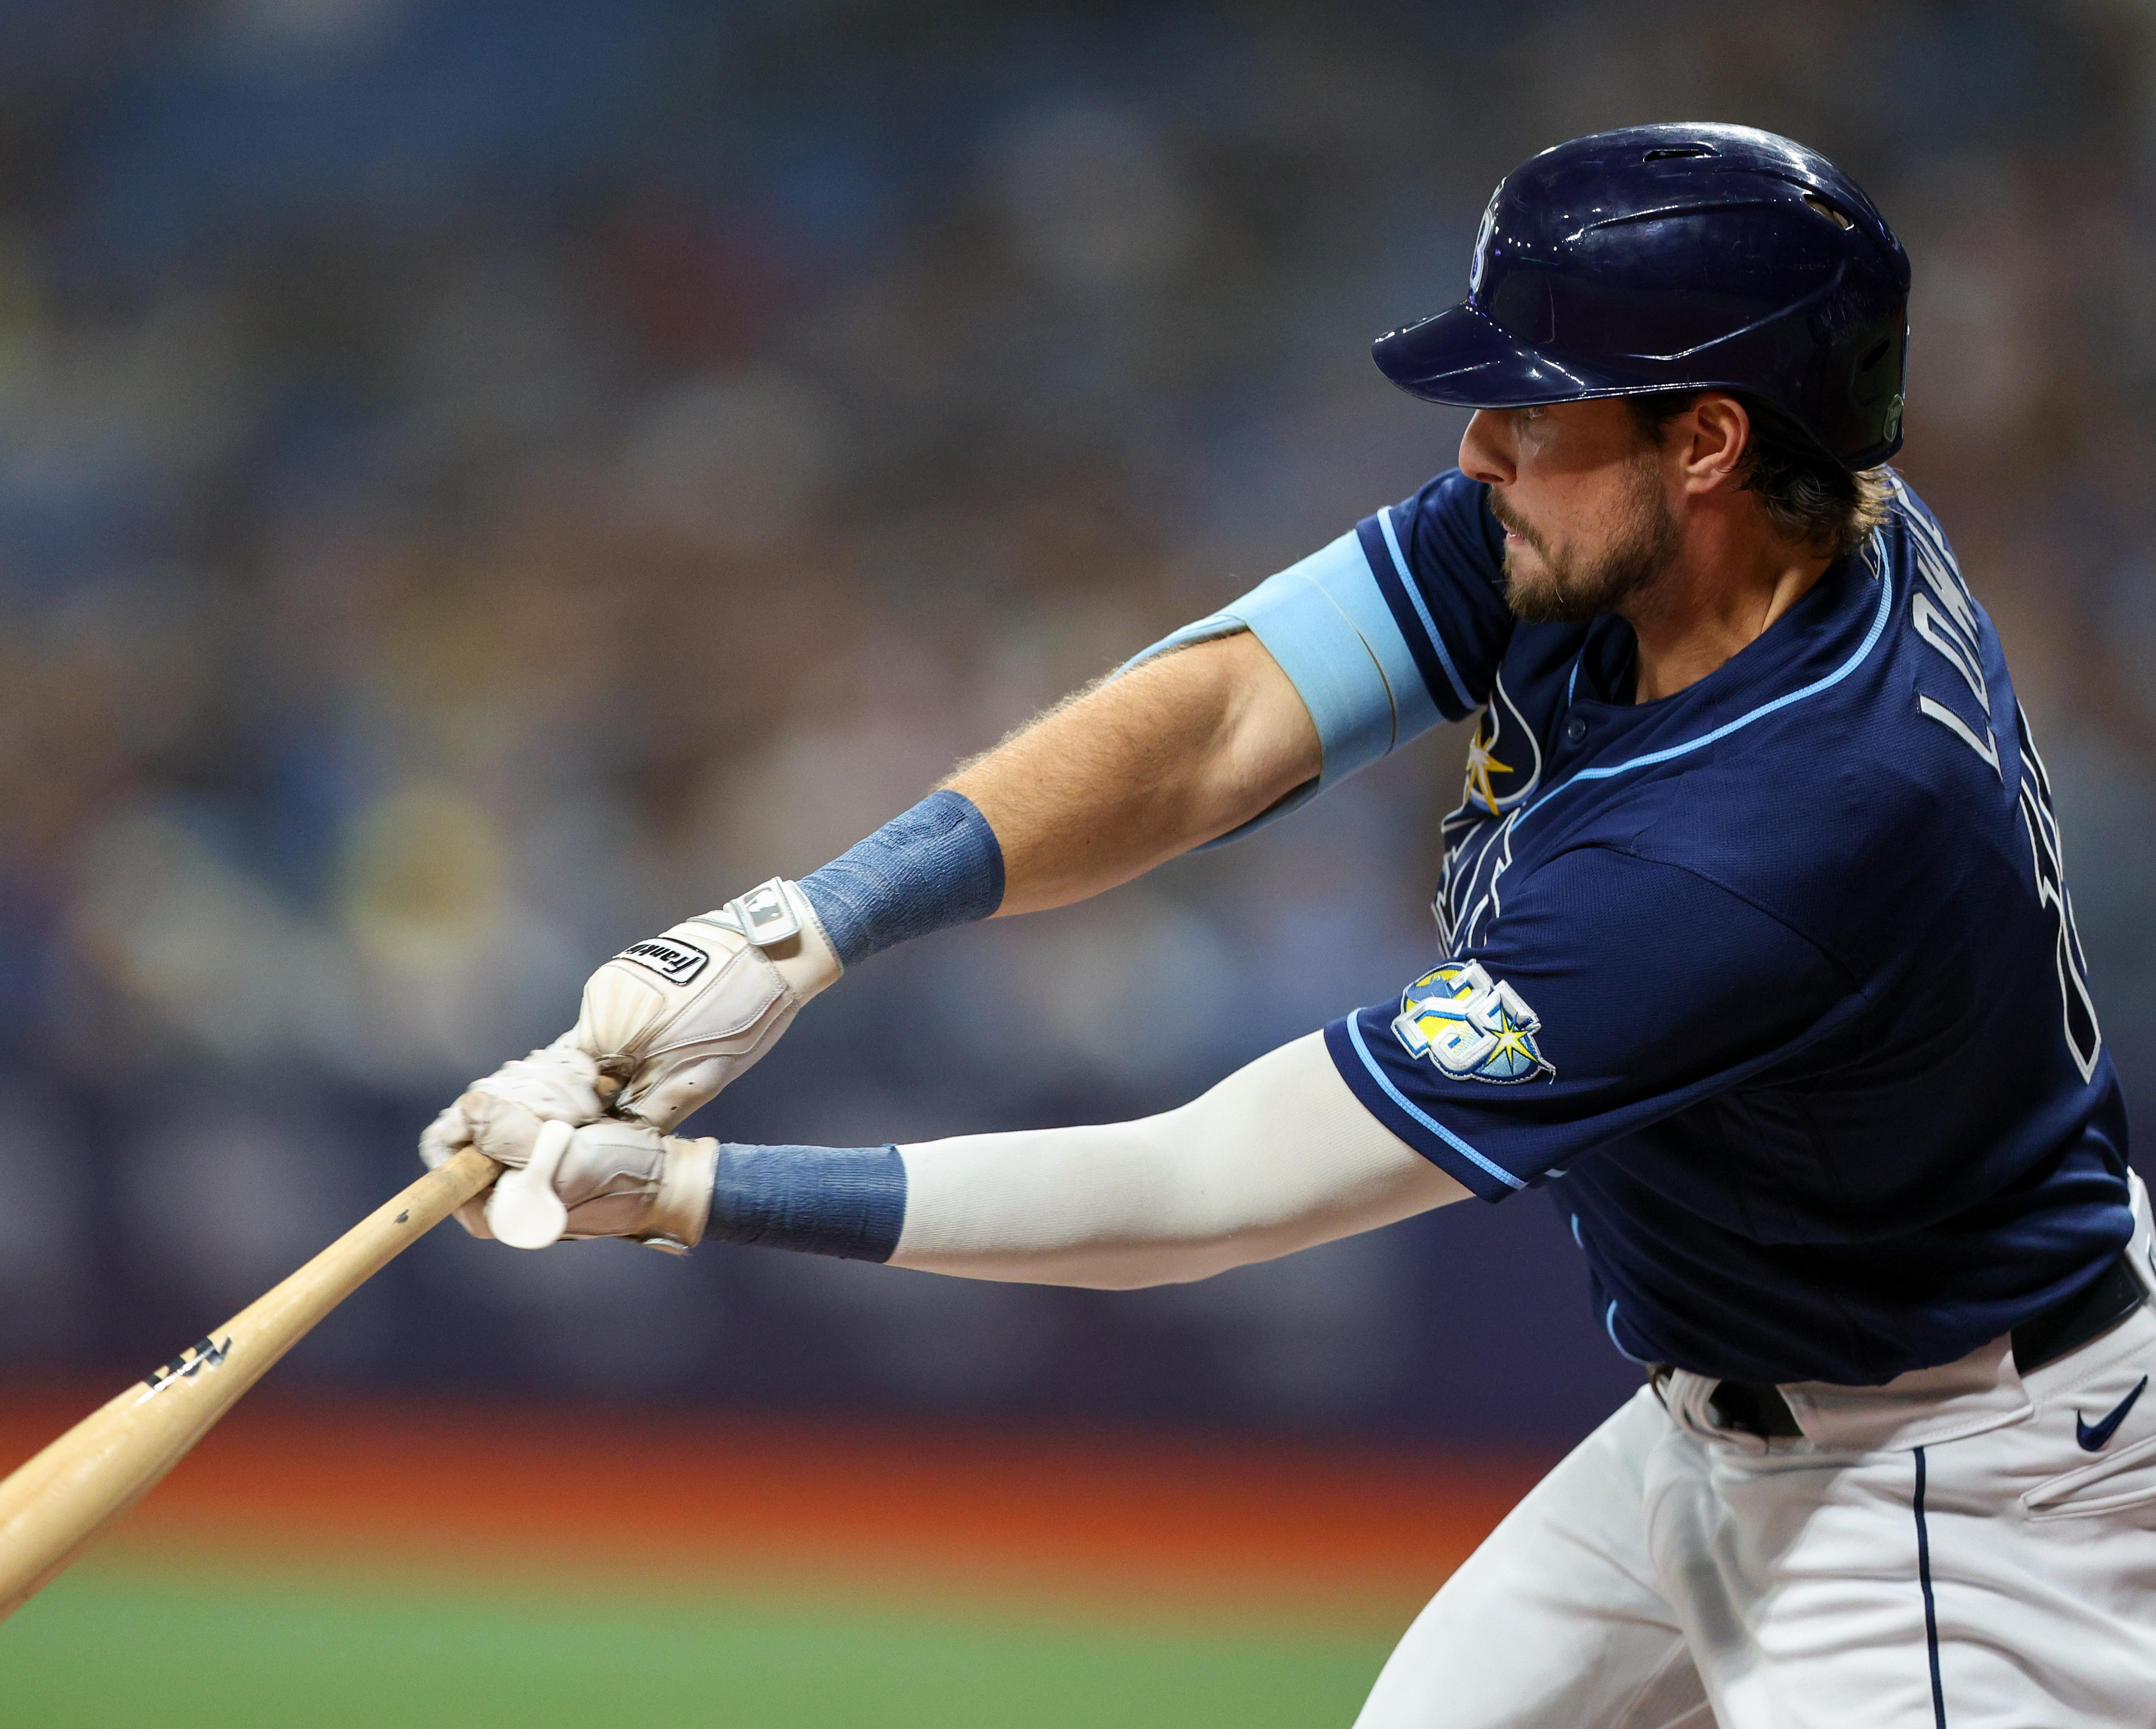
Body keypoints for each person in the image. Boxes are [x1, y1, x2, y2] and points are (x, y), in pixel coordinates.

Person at [422, 123, 2156, 1727]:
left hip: (1959, 1484)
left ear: (1707, 440)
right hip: (1743, 1412)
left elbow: (1198, 1192)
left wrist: (688, 1189)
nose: (1478, 445)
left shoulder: (1767, 840)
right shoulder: (1708, 528)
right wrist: (803, 928)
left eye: (1535, 407)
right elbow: (1227, 718)